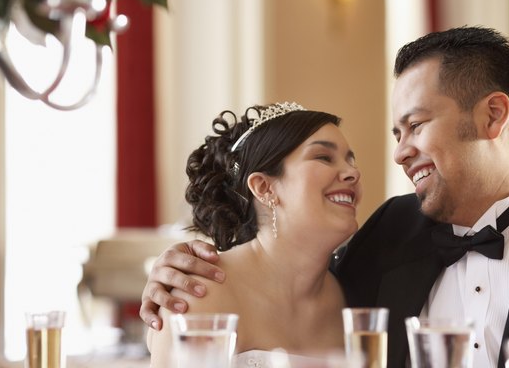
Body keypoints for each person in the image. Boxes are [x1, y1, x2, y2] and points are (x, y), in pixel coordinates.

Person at [140, 27, 509, 368]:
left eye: (415, 125)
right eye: (395, 135)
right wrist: (174, 269)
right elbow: (277, 274)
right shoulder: (384, 238)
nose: (400, 153)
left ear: (493, 115)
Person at [145, 102, 363, 367]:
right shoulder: (200, 294)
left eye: (350, 160)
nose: (353, 173)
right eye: (323, 157)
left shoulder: (354, 292)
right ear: (264, 188)